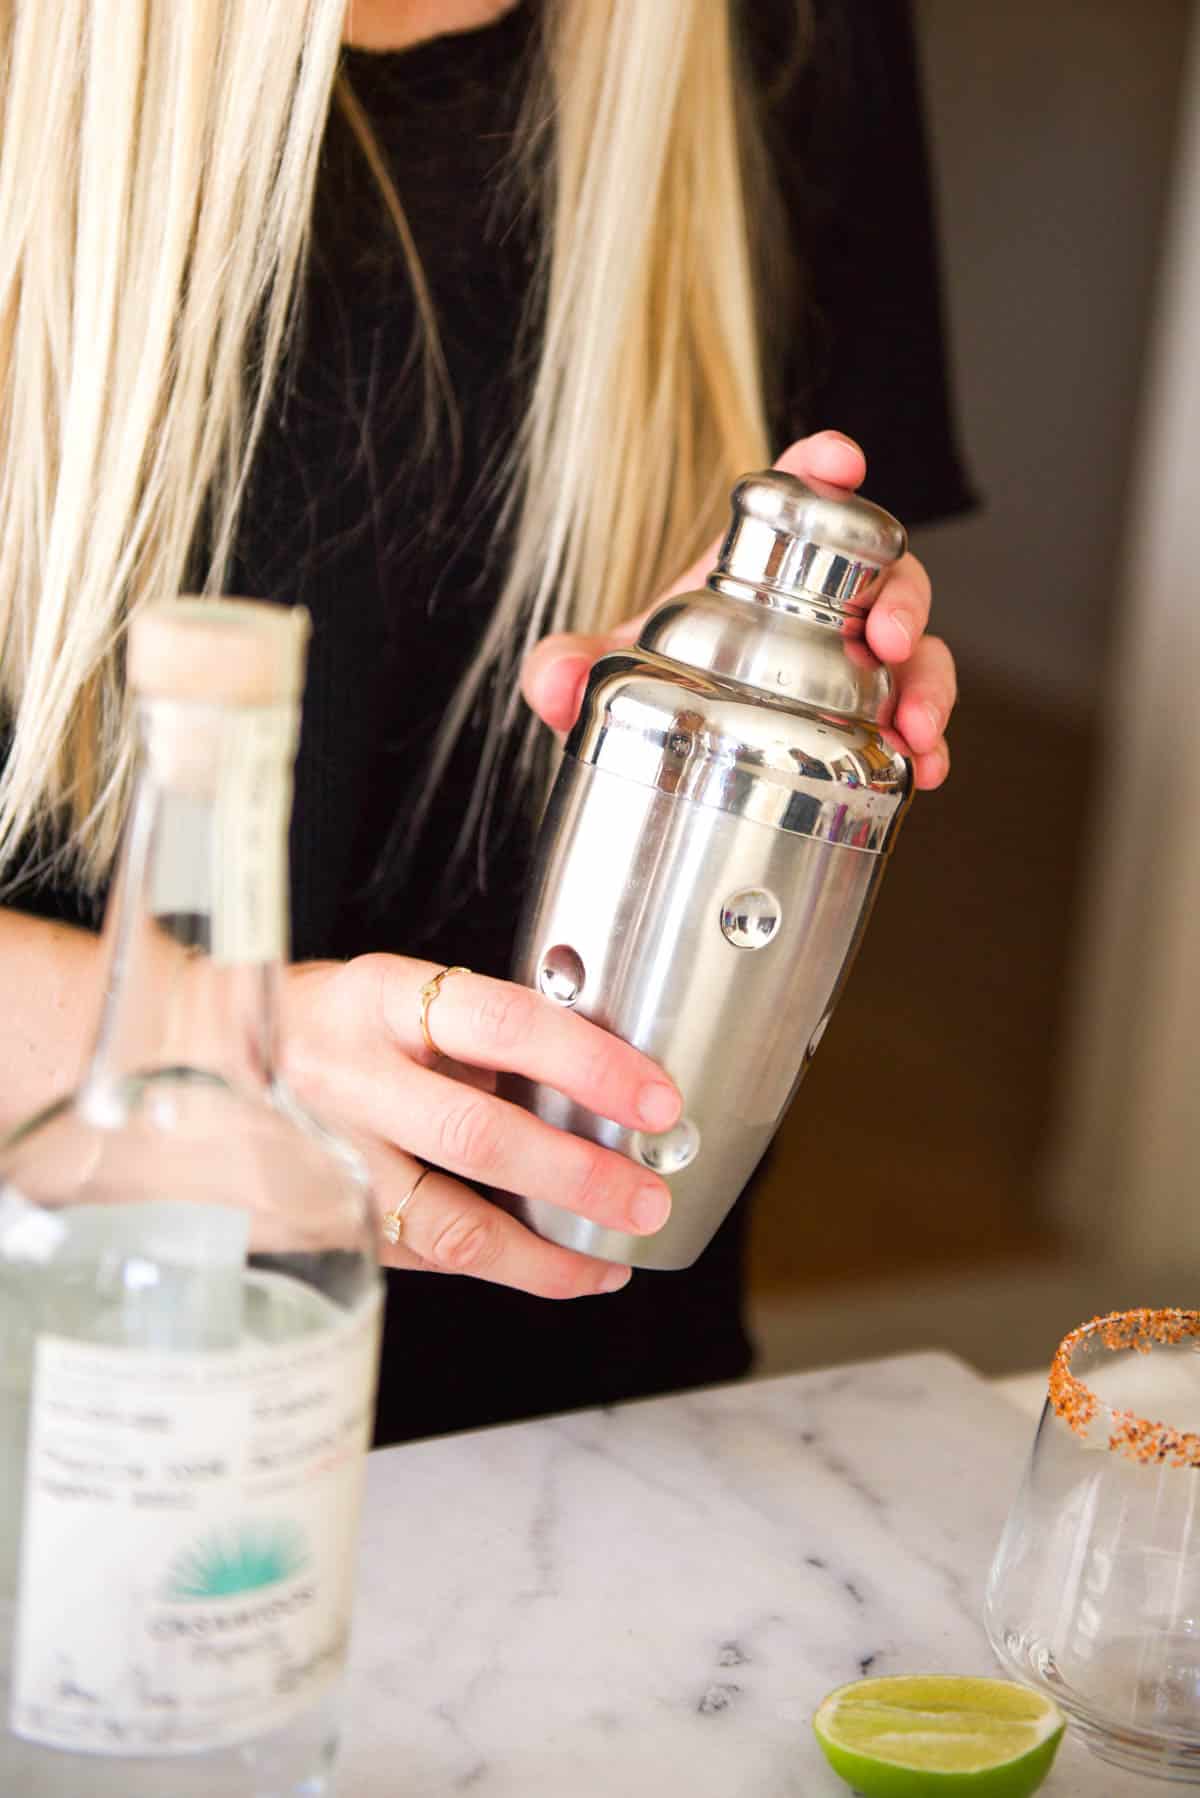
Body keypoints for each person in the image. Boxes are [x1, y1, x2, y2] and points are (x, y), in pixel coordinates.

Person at [0, 0, 971, 1443]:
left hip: (576, 1427)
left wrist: (747, 701)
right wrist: (206, 1047)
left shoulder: (790, 33)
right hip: (69, 1415)